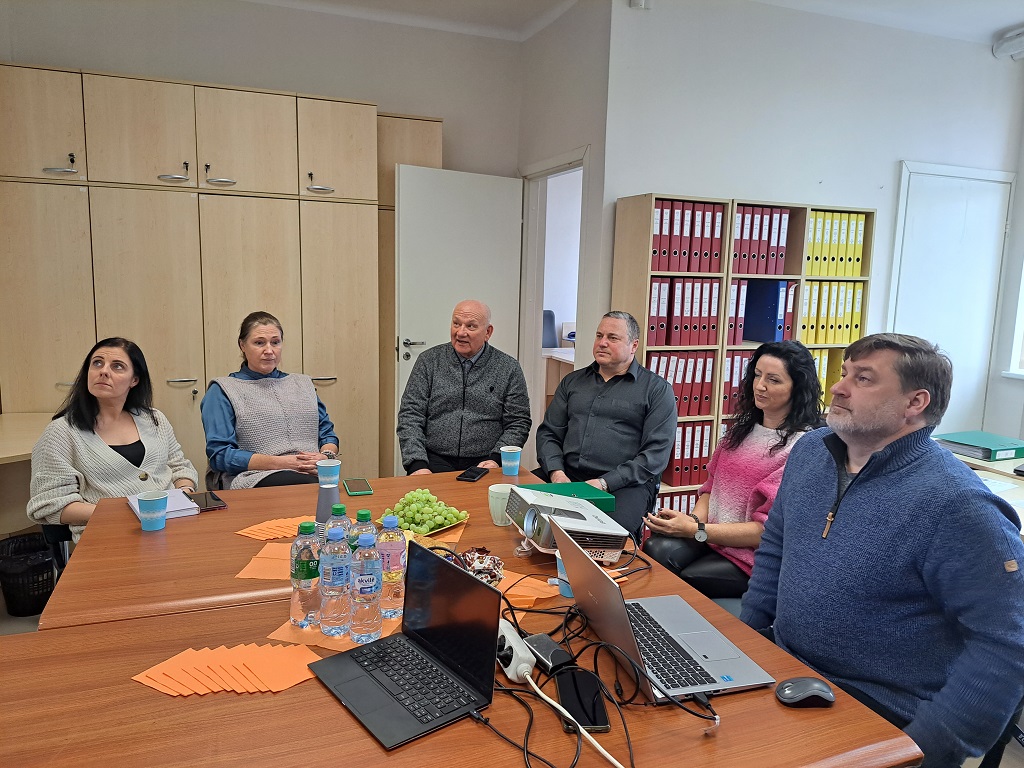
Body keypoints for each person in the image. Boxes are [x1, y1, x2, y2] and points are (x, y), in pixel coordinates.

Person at [740, 333, 1024, 766]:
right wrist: (746, 641)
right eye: (844, 373)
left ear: (915, 403)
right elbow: (776, 548)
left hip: (879, 708)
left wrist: (921, 750)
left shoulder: (957, 504)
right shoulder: (811, 452)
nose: (838, 388)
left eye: (864, 379)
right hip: (786, 668)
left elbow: (1006, 643)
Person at [643, 340, 822, 598]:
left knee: (687, 578)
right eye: (757, 375)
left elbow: (766, 530)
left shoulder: (801, 447)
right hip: (711, 538)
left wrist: (695, 530)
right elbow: (711, 488)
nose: (760, 386)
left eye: (773, 380)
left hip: (751, 556)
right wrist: (693, 521)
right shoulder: (741, 431)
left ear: (797, 388)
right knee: (655, 549)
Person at [28, 338, 198, 542]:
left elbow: (180, 467)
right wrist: (120, 513)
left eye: (117, 366)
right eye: (97, 363)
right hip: (109, 536)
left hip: (172, 527)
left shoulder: (155, 419)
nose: (103, 371)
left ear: (134, 380)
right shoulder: (61, 432)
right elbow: (50, 503)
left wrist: (184, 493)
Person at [535, 311, 676, 538]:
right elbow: (549, 434)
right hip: (567, 476)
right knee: (518, 506)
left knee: (604, 536)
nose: (602, 343)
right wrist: (556, 473)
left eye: (612, 338)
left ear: (633, 345)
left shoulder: (657, 390)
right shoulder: (572, 382)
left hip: (624, 485)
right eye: (599, 335)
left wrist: (604, 483)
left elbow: (655, 456)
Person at [201, 311, 339, 489]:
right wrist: (284, 463)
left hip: (313, 474)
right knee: (306, 489)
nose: (269, 351)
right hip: (254, 477)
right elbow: (220, 455)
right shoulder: (222, 390)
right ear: (242, 345)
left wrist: (325, 456)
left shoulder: (303, 384)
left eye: (275, 342)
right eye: (259, 343)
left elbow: (327, 434)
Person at [397, 299, 531, 475]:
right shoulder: (429, 361)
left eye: (470, 326)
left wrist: (497, 458)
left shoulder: (508, 368)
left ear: (488, 332)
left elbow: (518, 422)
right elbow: (410, 414)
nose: (460, 332)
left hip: (486, 461)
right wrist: (417, 464)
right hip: (432, 459)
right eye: (456, 324)